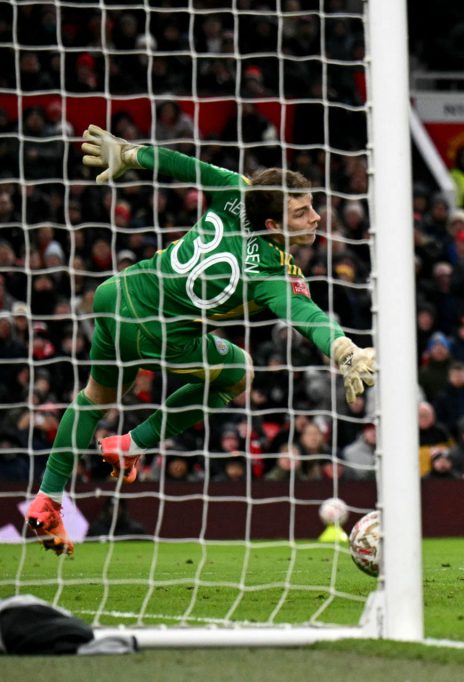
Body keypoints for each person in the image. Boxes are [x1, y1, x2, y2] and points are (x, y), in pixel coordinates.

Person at [25, 125, 377, 556]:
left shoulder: (235, 188)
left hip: (117, 294)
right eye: (302, 212)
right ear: (272, 224)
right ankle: (131, 445)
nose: (316, 217)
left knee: (94, 397)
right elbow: (306, 315)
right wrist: (343, 349)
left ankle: (47, 498)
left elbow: (182, 165)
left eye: (311, 206)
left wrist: (130, 154)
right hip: (157, 333)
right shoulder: (272, 272)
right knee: (238, 371)